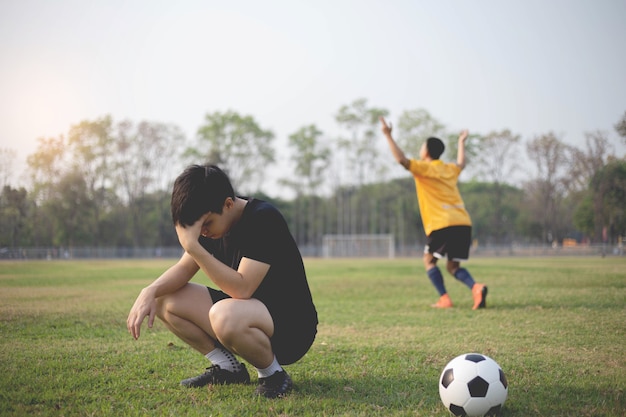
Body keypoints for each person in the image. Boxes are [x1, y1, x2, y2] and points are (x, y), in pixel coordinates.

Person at [127, 165, 318, 398]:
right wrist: (150, 290)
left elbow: (241, 288)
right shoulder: (214, 225)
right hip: (246, 314)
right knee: (165, 297)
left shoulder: (263, 218)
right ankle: (228, 368)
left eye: (206, 224)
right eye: (197, 229)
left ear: (228, 204)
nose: (203, 233)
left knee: (224, 314)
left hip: (291, 327)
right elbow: (182, 269)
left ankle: (273, 375)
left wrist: (193, 247)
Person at [379, 117, 487, 309]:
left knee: (429, 261)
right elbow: (461, 163)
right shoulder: (448, 169)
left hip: (442, 223)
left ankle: (444, 298)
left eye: (422, 147)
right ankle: (476, 287)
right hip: (462, 221)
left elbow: (401, 160)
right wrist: (461, 143)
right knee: (453, 267)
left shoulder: (424, 168)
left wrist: (387, 135)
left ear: (426, 151)